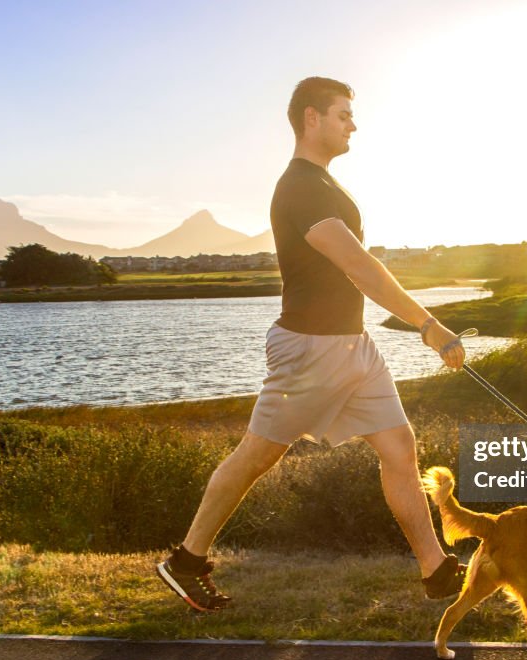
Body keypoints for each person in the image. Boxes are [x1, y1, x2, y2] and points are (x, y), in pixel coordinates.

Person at [157, 76, 469, 612]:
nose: (353, 123)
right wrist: (428, 325)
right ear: (311, 118)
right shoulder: (299, 187)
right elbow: (358, 267)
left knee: (399, 447)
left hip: (352, 346)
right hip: (308, 349)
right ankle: (185, 561)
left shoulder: (324, 185)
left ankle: (436, 569)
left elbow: (357, 272)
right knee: (259, 455)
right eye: (343, 113)